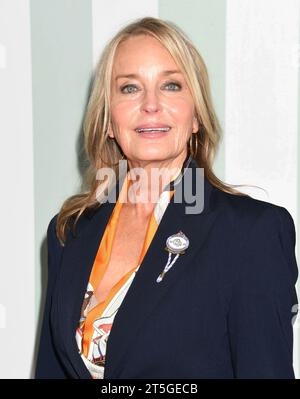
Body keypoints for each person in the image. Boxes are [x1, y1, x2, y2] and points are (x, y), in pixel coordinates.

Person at [35, 16, 298, 379]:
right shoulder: (69, 232)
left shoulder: (251, 233)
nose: (151, 104)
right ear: (109, 121)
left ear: (196, 117)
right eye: (130, 88)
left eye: (171, 85)